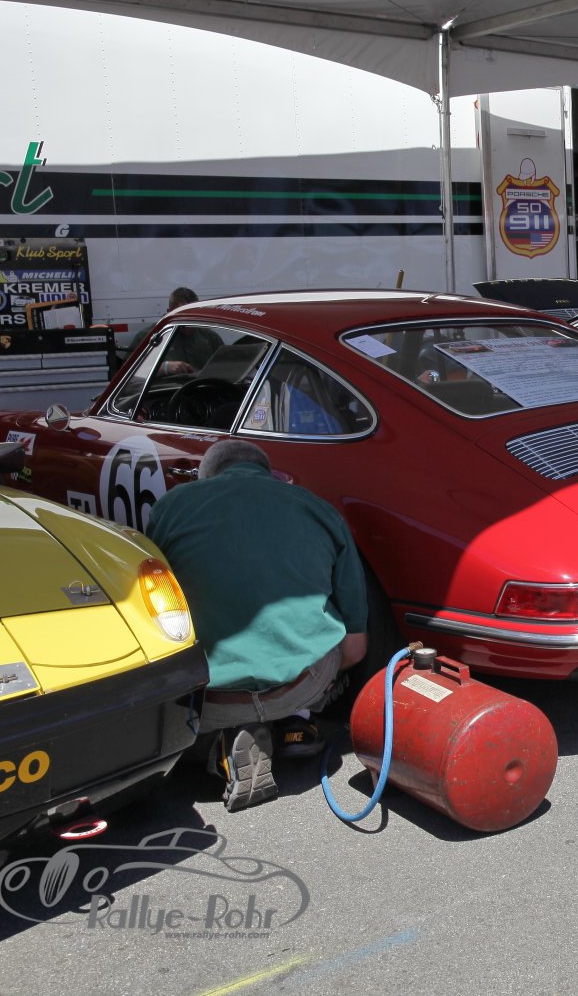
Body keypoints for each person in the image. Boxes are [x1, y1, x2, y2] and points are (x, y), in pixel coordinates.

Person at [146, 440, 368, 812]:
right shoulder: (319, 509)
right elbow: (356, 649)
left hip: (208, 700)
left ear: (206, 476)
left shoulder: (171, 506)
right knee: (330, 643)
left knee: (172, 726)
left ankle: (221, 745)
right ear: (267, 471)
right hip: (299, 685)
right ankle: (296, 721)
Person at [126, 286, 221, 373]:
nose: (189, 322)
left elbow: (226, 365)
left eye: (194, 315)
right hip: (167, 386)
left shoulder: (209, 337)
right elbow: (128, 372)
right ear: (170, 313)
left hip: (202, 385)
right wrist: (163, 368)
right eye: (184, 315)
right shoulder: (150, 338)